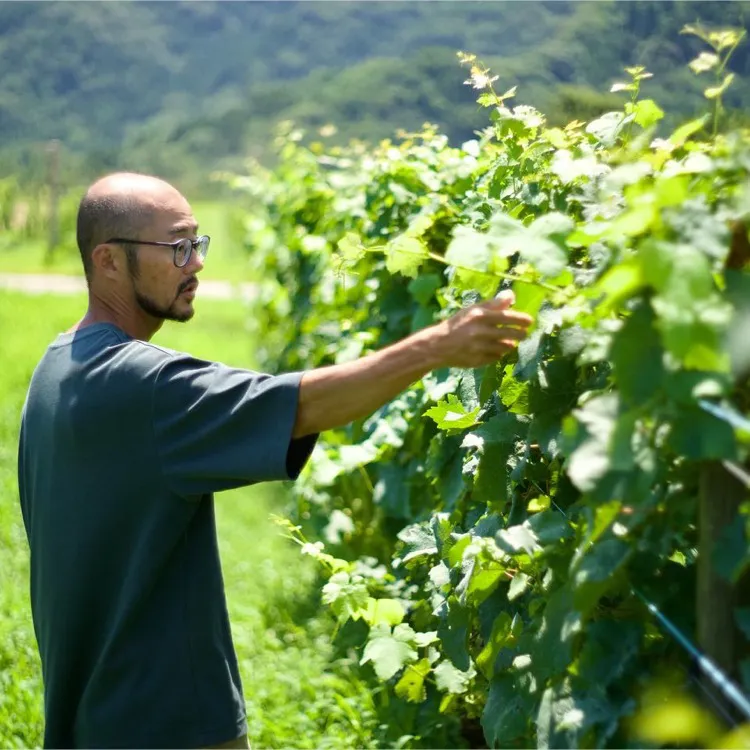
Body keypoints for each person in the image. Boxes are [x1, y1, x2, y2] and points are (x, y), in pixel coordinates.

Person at [17, 172, 533, 749]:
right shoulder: (148, 386)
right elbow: (306, 403)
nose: (196, 264)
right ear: (109, 261)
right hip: (171, 721)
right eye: (177, 248)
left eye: (197, 244)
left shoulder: (56, 366)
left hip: (91, 717)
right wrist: (438, 345)